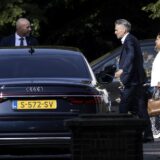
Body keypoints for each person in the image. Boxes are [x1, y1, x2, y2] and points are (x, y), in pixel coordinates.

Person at [114, 19, 153, 142]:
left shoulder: (129, 40)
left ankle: (120, 135)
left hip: (132, 80)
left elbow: (131, 56)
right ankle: (148, 135)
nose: (115, 32)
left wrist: (123, 70)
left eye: (116, 29)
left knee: (123, 107)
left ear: (123, 29)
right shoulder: (132, 39)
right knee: (141, 108)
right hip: (137, 80)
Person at [150, 32, 160, 139]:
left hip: (159, 86)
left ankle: (157, 130)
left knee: (157, 109)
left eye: (157, 39)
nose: (155, 41)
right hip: (157, 86)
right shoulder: (159, 53)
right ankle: (156, 130)